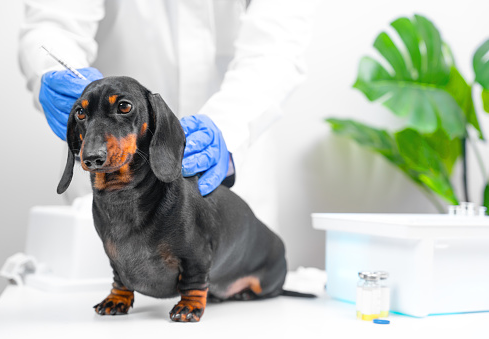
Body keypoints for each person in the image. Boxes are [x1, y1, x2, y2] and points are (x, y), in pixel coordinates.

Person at [19, 0, 315, 232]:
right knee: (108, 285)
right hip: (112, 180)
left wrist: (228, 125)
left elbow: (277, 47)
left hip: (231, 159)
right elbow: (53, 23)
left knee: (230, 281)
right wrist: (52, 69)